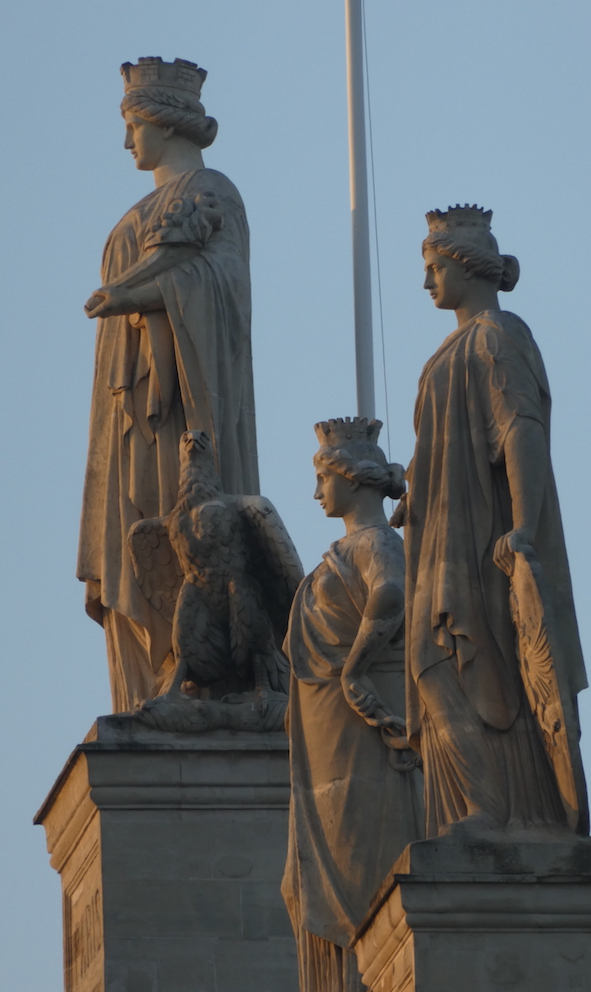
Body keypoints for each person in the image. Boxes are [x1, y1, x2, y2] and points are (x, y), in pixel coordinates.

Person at [397, 204, 588, 837]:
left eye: (433, 268)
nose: (427, 284)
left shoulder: (497, 336)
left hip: (483, 537)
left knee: (466, 662)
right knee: (431, 659)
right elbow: (439, 454)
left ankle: (499, 808)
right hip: (439, 538)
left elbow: (521, 431)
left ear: (466, 267)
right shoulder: (442, 355)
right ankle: (474, 807)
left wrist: (525, 527)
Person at [77, 57, 258, 712]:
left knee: (185, 525)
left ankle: (196, 670)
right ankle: (146, 683)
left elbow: (226, 292)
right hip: (131, 415)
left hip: (186, 408)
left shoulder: (213, 191)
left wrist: (140, 296)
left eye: (132, 125)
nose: (128, 142)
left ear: (162, 122)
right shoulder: (136, 214)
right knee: (134, 529)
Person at [282, 417, 424, 992]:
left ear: (354, 479)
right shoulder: (342, 551)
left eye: (322, 478)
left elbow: (390, 594)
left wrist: (356, 668)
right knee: (308, 878)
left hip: (361, 740)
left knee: (365, 862)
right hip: (323, 745)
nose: (317, 493)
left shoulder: (376, 542)